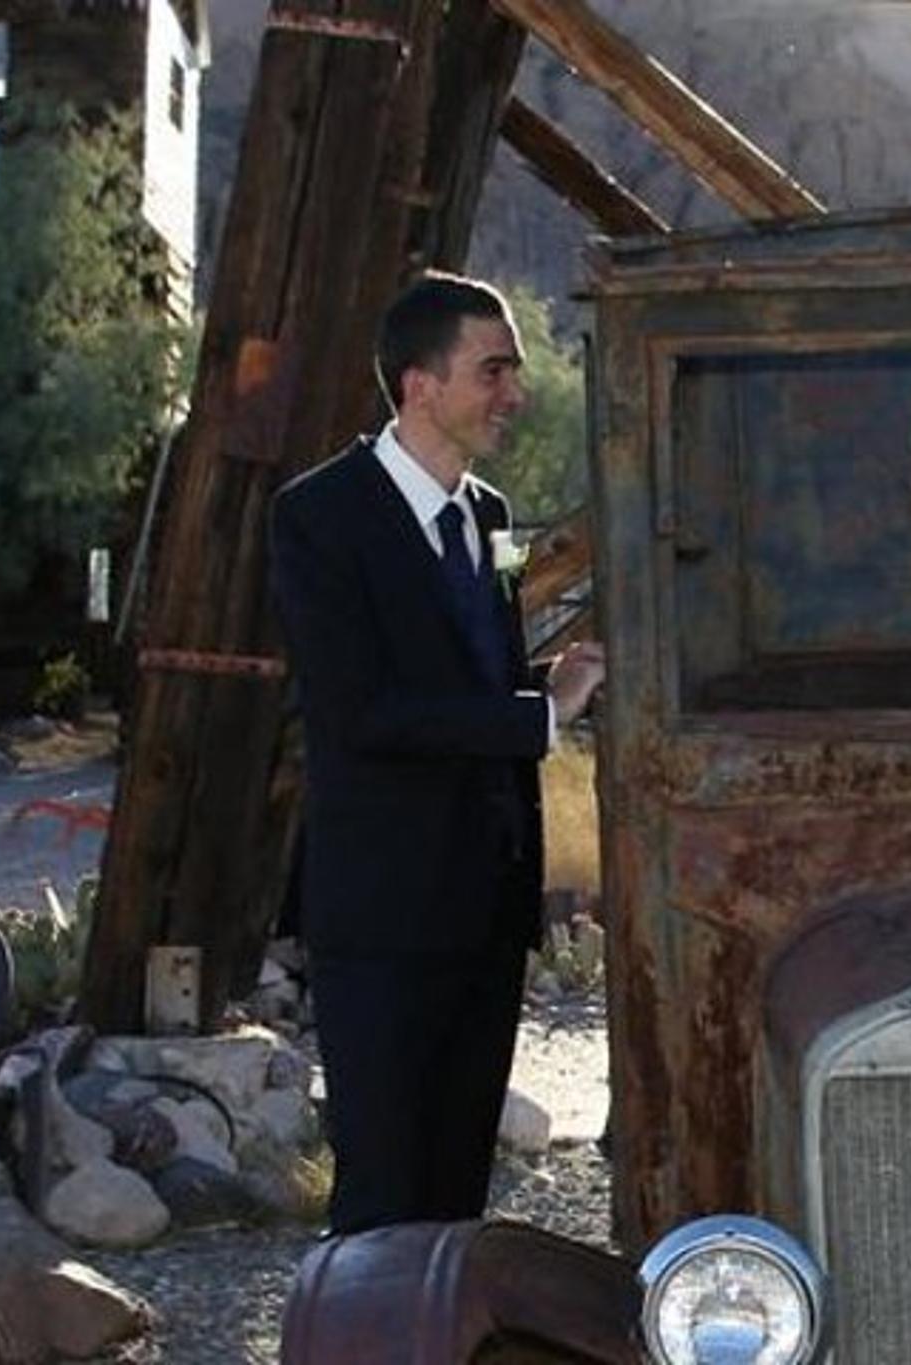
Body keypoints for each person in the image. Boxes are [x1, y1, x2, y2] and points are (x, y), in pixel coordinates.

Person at [269, 272, 605, 1233]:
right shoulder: (320, 517)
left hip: (487, 916)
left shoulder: (490, 517)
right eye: (493, 370)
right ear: (419, 384)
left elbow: (473, 674)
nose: (514, 392)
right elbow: (365, 710)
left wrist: (554, 682)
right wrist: (541, 717)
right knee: (381, 1191)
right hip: (381, 918)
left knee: (458, 1187)